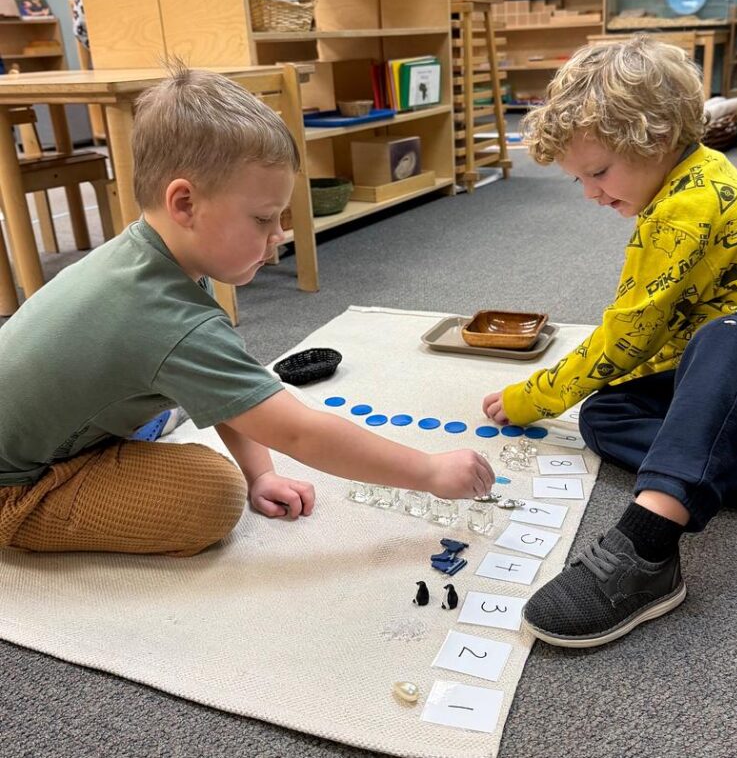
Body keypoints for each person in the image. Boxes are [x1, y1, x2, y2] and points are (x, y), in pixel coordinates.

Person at [0, 65, 494, 557]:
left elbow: (231, 396)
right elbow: (299, 431)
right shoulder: (170, 320)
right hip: (13, 489)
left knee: (196, 395)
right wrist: (428, 472)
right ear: (185, 203)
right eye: (262, 219)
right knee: (211, 496)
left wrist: (262, 472)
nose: (278, 235)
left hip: (36, 433)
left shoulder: (151, 258)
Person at [483, 36, 737, 648]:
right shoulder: (677, 182)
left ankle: (646, 548)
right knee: (606, 413)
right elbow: (654, 335)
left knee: (727, 338)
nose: (592, 193)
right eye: (581, 179)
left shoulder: (687, 205)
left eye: (597, 172)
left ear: (654, 139)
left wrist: (533, 397)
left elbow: (627, 336)